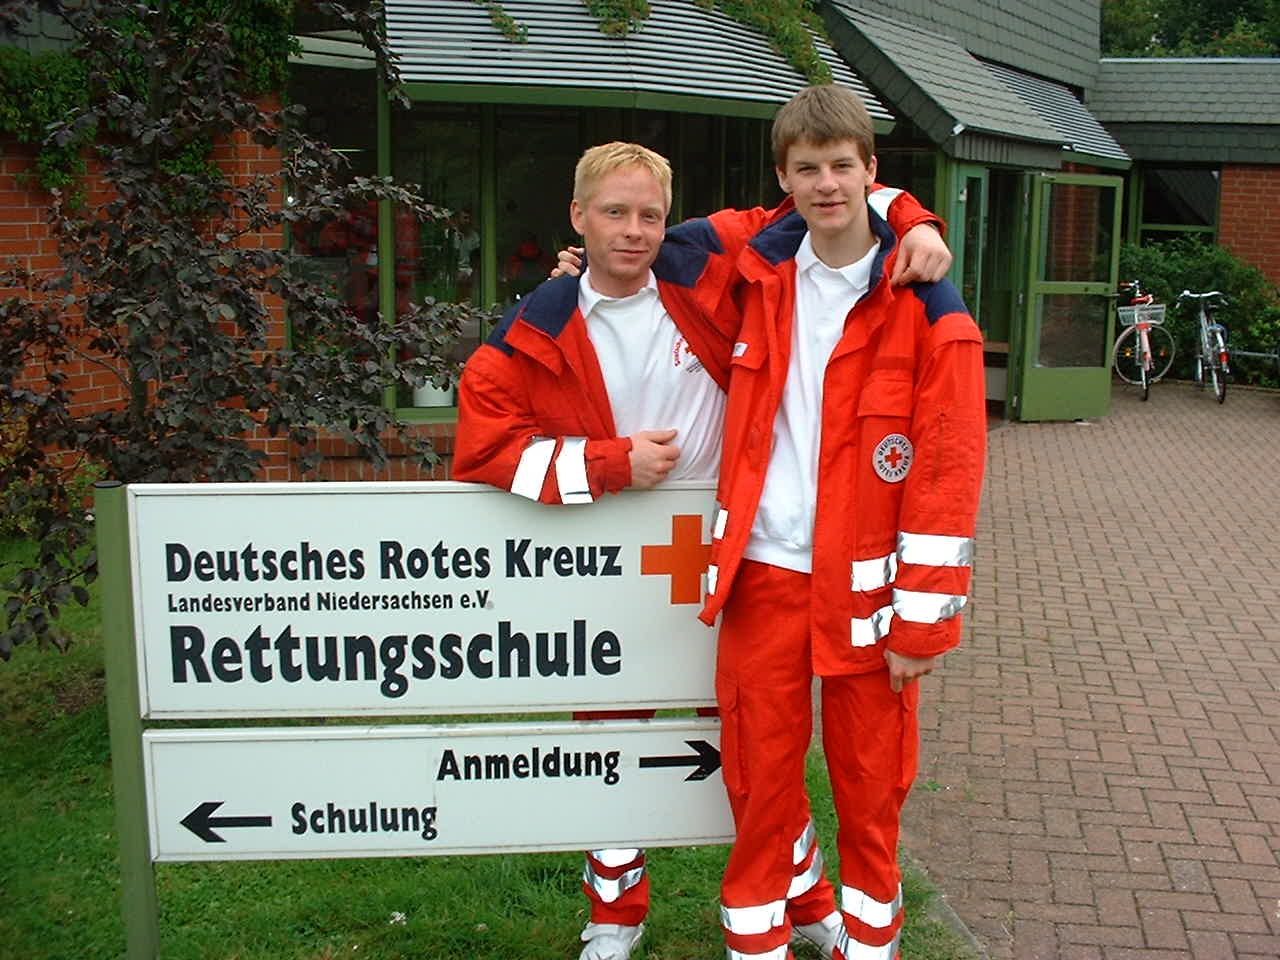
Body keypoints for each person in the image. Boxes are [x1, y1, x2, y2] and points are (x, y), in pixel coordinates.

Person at [452, 140, 953, 960]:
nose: (634, 231)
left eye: (649, 214)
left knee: (759, 746)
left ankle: (806, 899)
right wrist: (610, 464)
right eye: (613, 213)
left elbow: (821, 193)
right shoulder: (535, 326)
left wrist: (913, 216)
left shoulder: (704, 261)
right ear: (577, 217)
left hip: (734, 554)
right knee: (609, 739)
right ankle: (614, 916)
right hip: (610, 563)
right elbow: (482, 448)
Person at [694, 85, 987, 960]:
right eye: (807, 168)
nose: (827, 184)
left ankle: (871, 943)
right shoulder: (755, 275)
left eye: (843, 166)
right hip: (766, 579)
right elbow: (646, 254)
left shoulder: (930, 309)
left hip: (870, 600)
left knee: (870, 793)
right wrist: (575, 273)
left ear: (872, 173)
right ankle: (758, 944)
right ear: (783, 179)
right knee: (756, 784)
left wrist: (921, 628)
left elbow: (945, 477)